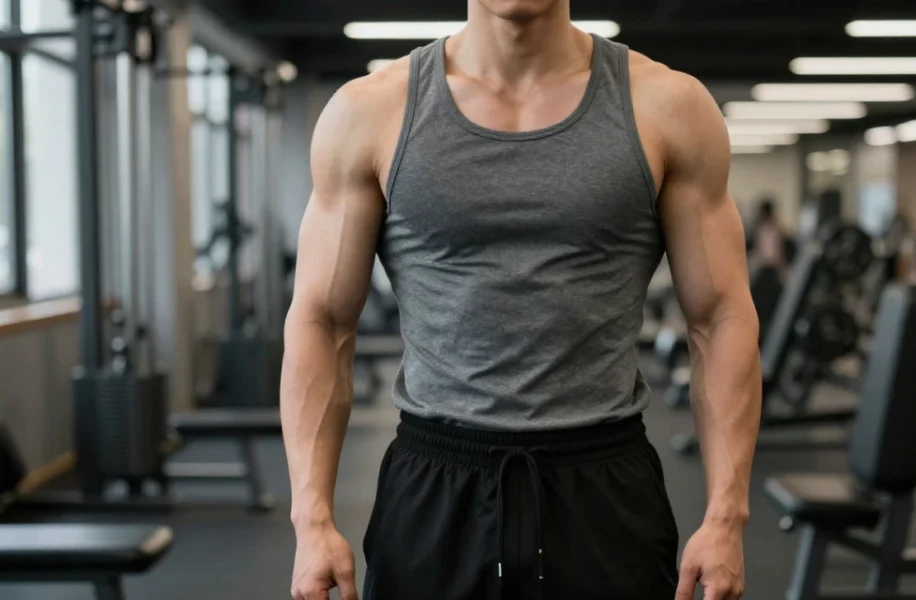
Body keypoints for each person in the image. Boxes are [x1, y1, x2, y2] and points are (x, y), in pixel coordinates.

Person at [281, 1, 762, 599]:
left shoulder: (667, 106)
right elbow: (322, 322)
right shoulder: (369, 112)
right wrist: (311, 519)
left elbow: (720, 317)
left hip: (604, 490)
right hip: (435, 488)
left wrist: (726, 517)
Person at [749, 199, 788, 272]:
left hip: (773, 262)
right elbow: (757, 248)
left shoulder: (777, 230)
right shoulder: (759, 230)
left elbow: (780, 251)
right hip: (762, 262)